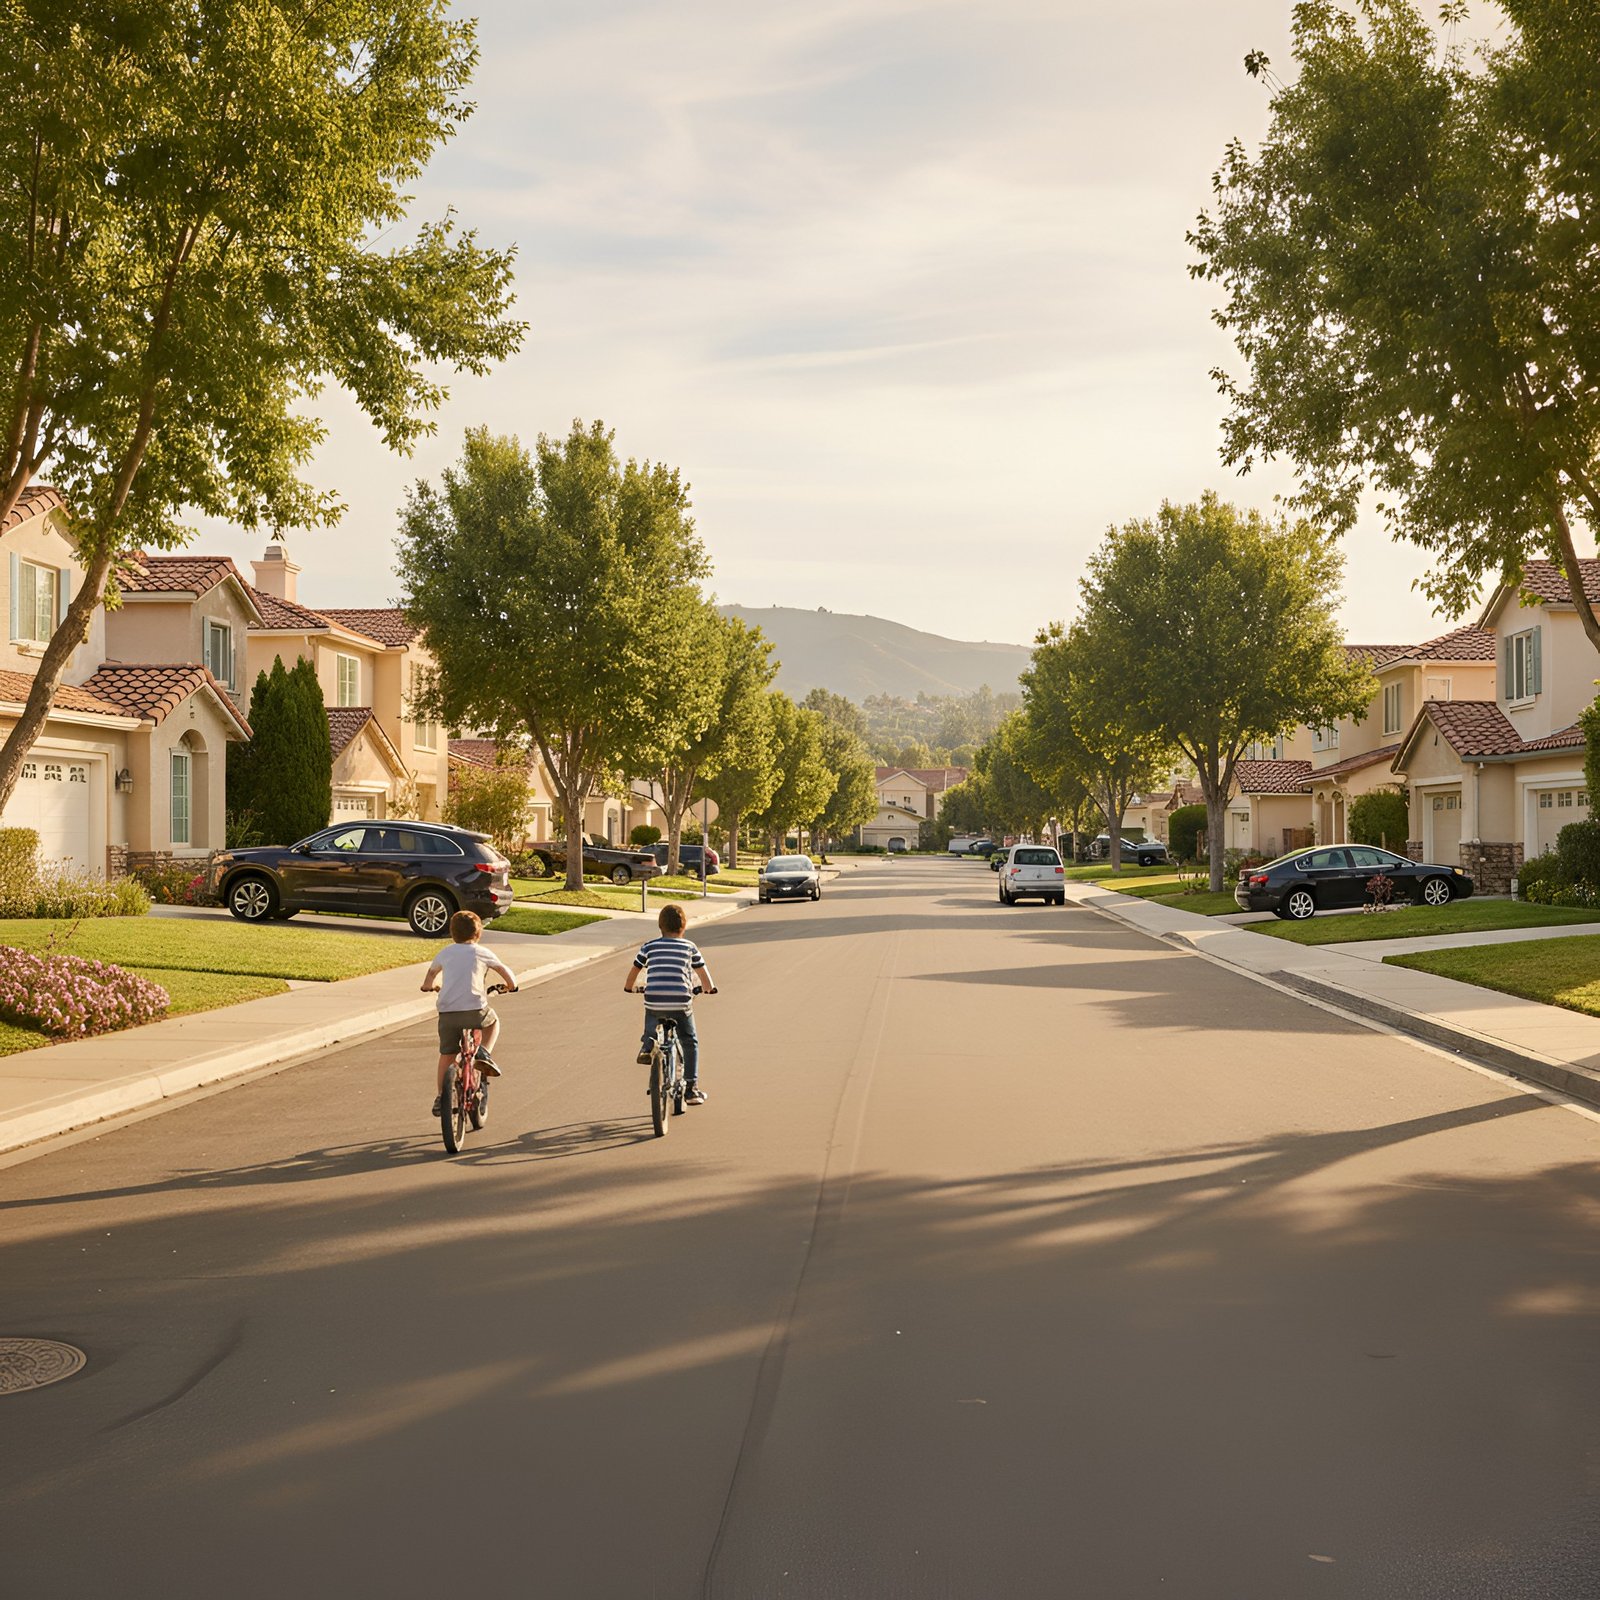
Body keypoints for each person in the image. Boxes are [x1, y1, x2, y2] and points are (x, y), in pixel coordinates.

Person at [421, 909, 517, 1116]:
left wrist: (429, 986)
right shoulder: (481, 951)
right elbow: (503, 970)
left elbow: (431, 974)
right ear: (478, 933)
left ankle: (440, 1097)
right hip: (475, 1010)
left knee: (446, 1055)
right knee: (493, 1023)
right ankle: (484, 1052)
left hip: (448, 1013)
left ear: (452, 932)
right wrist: (511, 985)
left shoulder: (445, 952)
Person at [624, 902, 716, 1106]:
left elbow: (634, 971)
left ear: (660, 926)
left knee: (652, 1012)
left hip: (654, 999)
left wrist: (630, 988)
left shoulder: (649, 946)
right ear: (683, 927)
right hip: (681, 1001)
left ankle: (647, 1044)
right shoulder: (689, 947)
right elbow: (704, 976)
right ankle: (691, 1089)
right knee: (689, 1040)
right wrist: (708, 988)